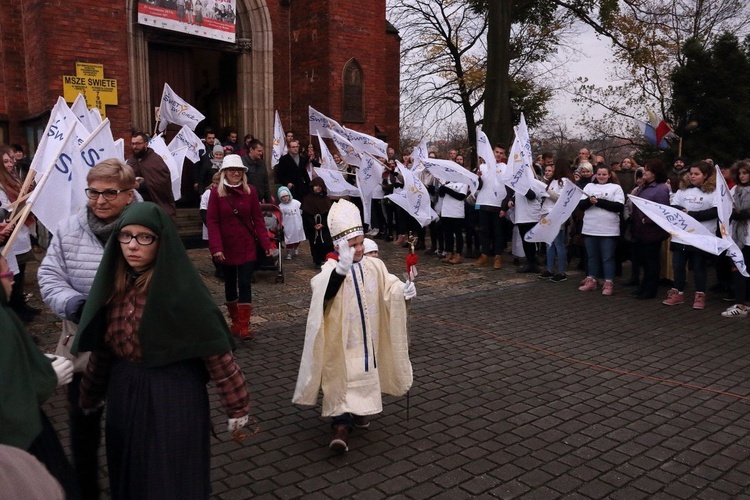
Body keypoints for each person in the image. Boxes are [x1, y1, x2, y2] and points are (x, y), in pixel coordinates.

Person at [73, 202, 251, 499]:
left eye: (144, 237)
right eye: (126, 236)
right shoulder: (113, 288)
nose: (132, 245)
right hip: (124, 390)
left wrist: (237, 405)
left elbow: (216, 353)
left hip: (173, 393)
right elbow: (103, 351)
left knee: (169, 474)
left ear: (161, 240)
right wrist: (89, 395)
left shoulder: (182, 290)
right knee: (129, 468)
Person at [38, 159, 138, 500]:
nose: (99, 200)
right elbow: (49, 276)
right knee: (83, 423)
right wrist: (74, 305)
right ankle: (86, 489)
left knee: (128, 426)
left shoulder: (146, 228)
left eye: (110, 192)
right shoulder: (68, 229)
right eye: (93, 191)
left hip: (132, 347)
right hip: (82, 345)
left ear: (129, 194)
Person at [292, 198, 415, 453]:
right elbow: (323, 295)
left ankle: (360, 413)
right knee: (343, 378)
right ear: (339, 245)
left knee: (365, 373)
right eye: (353, 245)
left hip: (368, 338)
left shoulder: (374, 265)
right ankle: (340, 425)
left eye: (361, 243)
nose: (359, 249)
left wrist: (403, 290)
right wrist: (340, 272)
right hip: (343, 339)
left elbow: (388, 286)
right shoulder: (330, 269)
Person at [0, 253, 78, 499]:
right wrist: (46, 379)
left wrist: (37, 363)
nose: (13, 281)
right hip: (19, 444)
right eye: (6, 274)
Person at [207, 154, 272, 339]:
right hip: (226, 246)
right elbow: (212, 222)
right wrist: (216, 247)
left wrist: (266, 243)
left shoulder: (250, 191)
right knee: (229, 283)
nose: (235, 172)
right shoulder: (216, 193)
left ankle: (244, 325)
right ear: (224, 172)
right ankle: (235, 321)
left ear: (243, 173)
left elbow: (258, 220)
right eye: (231, 170)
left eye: (238, 170)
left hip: (246, 244)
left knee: (245, 282)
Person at [663, 161, 718, 309]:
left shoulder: (714, 192)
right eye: (691, 173)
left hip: (701, 236)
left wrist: (692, 215)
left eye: (696, 174)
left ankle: (700, 295)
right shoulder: (683, 189)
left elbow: (715, 212)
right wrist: (681, 211)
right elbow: (674, 205)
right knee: (678, 265)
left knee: (699, 267)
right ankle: (678, 292)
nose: (692, 176)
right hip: (681, 235)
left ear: (705, 176)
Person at [0, 145, 41, 322]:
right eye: (6, 161)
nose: (10, 164)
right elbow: (6, 208)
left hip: (18, 231)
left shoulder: (13, 178)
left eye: (11, 160)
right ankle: (16, 312)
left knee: (20, 271)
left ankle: (20, 306)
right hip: (9, 234)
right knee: (11, 275)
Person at [577, 165, 625, 295]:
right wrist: (589, 201)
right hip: (590, 228)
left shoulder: (616, 188)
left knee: (607, 257)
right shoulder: (589, 187)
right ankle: (592, 279)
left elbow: (618, 206)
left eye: (604, 174)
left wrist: (598, 202)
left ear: (609, 175)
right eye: (599, 174)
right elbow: (581, 205)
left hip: (609, 229)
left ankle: (608, 282)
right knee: (592, 257)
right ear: (595, 175)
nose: (601, 177)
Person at [629, 160, 670, 299]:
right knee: (644, 261)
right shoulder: (643, 187)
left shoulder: (661, 188)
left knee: (651, 262)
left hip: (652, 232)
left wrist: (646, 220)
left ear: (655, 173)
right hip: (640, 230)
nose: (643, 172)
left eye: (647, 170)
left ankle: (650, 289)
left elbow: (662, 210)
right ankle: (644, 286)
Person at [126, 132, 176, 222]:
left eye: (137, 144)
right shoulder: (131, 160)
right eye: (132, 144)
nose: (134, 147)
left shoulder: (155, 160)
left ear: (146, 144)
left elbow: (162, 183)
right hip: (135, 206)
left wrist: (141, 185)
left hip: (154, 204)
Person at [722, 160, 750, 317]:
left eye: (745, 173)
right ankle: (740, 303)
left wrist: (745, 213)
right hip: (738, 237)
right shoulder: (735, 189)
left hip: (749, 234)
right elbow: (728, 207)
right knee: (739, 269)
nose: (742, 176)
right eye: (740, 173)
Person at [540, 159, 574, 282]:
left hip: (556, 214)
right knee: (549, 244)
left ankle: (561, 271)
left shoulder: (564, 182)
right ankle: (549, 269)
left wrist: (546, 190)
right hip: (545, 213)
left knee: (558, 243)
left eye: (555, 166)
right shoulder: (552, 181)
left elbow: (560, 198)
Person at [301, 177, 334, 268]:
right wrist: (313, 224)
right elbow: (306, 214)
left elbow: (329, 213)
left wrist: (323, 224)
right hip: (313, 227)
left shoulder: (326, 199)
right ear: (312, 186)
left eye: (319, 186)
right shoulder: (307, 199)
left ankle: (327, 259)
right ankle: (317, 261)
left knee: (327, 243)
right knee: (315, 244)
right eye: (316, 186)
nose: (318, 188)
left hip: (324, 227)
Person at [277, 186, 306, 260]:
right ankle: (289, 253)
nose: (285, 198)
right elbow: (280, 217)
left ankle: (296, 247)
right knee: (289, 240)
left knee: (298, 238)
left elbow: (302, 210)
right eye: (283, 197)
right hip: (288, 225)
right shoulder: (280, 207)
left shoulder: (296, 202)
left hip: (297, 223)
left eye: (286, 196)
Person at [240, 139, 271, 203]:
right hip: (246, 200)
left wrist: (268, 201)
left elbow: (266, 183)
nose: (261, 153)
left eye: (261, 151)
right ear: (251, 150)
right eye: (259, 151)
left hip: (260, 200)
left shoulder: (262, 163)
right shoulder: (242, 163)